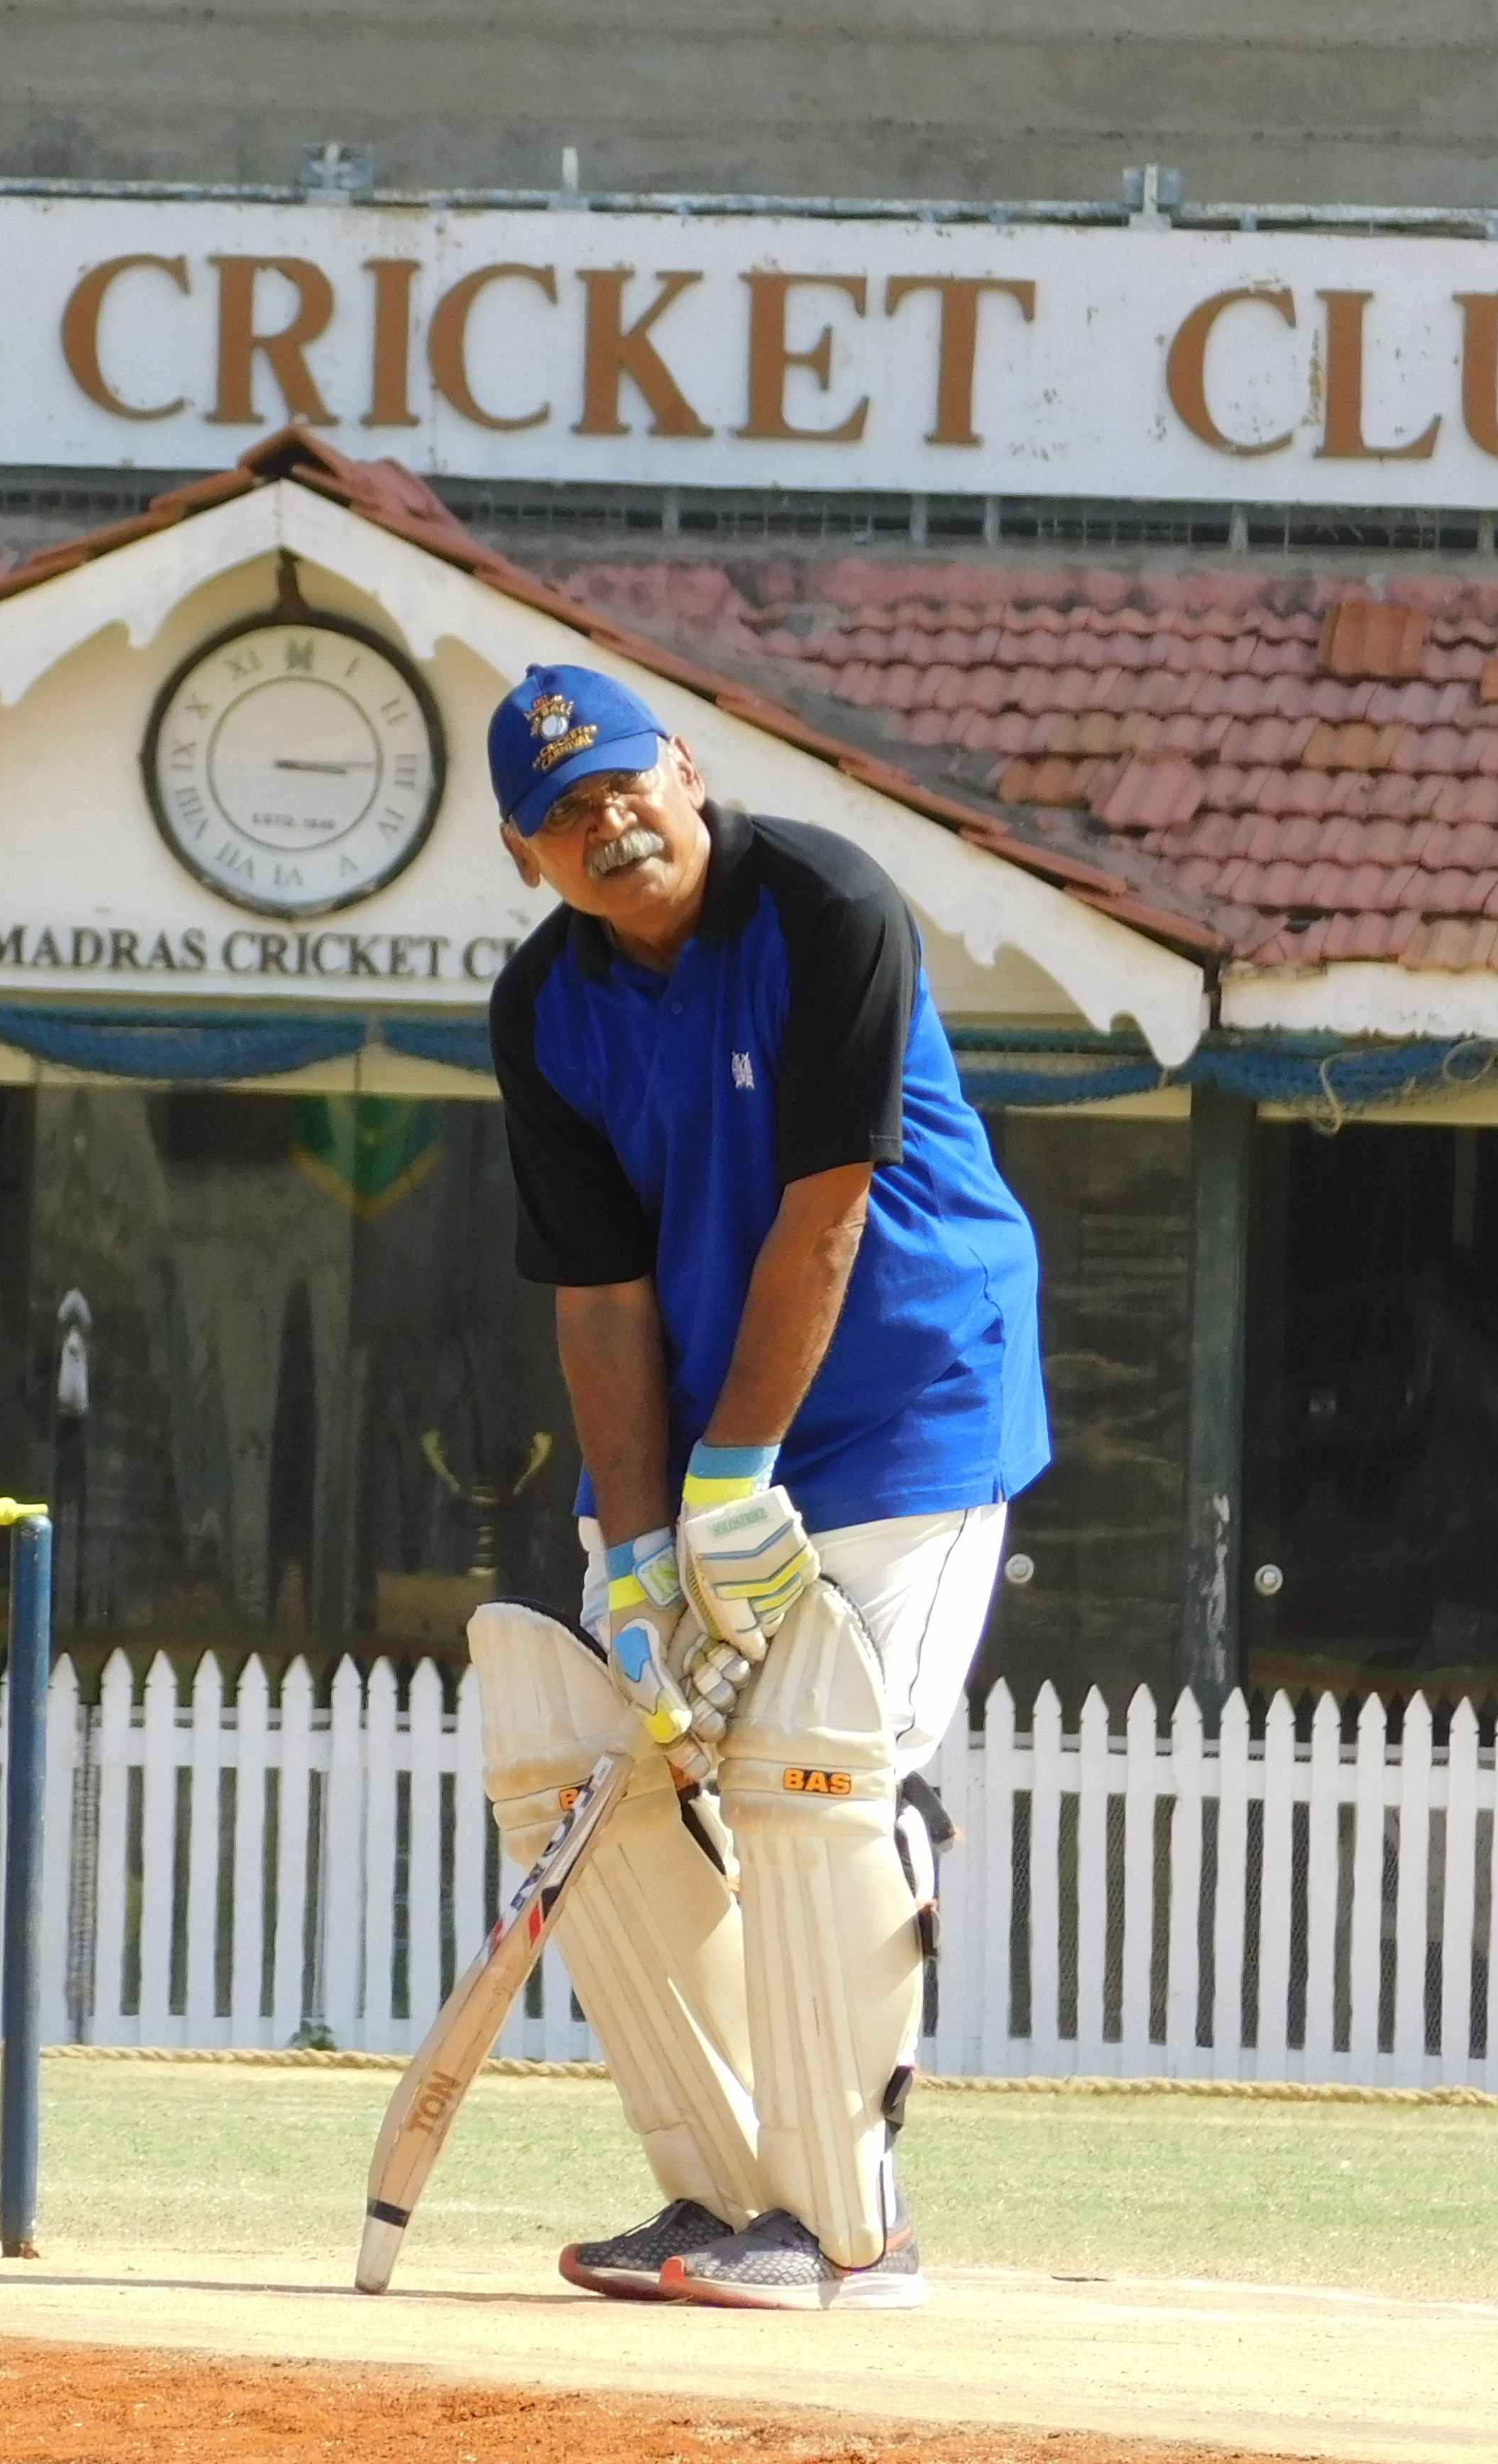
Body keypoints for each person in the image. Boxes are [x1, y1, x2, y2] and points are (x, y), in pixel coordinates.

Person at [475, 665, 1045, 2311]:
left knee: (818, 1775)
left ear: (688, 768)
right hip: (708, 1425)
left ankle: (852, 2225)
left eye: (625, 784)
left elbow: (827, 1212)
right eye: (565, 815)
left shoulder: (826, 909)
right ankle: (727, 2195)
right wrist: (639, 1542)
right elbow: (598, 1292)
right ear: (530, 857)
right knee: (594, 1766)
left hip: (905, 1412)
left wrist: (729, 1479)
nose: (611, 824)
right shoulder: (544, 1011)